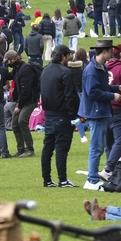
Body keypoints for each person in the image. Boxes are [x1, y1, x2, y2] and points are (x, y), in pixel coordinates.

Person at [80, 39, 121, 190]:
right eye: (111, 51)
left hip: (101, 111)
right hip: (96, 112)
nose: (113, 54)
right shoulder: (92, 70)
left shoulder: (101, 67)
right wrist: (112, 96)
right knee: (96, 148)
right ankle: (91, 180)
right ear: (104, 51)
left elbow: (102, 87)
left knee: (99, 147)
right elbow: (92, 92)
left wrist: (118, 87)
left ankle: (93, 178)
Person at [40, 45, 79, 188]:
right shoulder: (65, 72)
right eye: (69, 55)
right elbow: (70, 96)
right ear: (63, 56)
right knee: (62, 149)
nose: (70, 58)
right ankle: (63, 180)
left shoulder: (45, 70)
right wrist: (73, 115)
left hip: (49, 115)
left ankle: (47, 180)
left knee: (48, 148)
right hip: (62, 115)